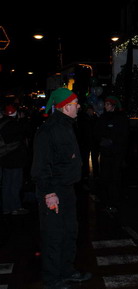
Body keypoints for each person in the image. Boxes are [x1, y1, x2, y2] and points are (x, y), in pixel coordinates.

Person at [31, 88, 92, 289]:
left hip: (66, 189)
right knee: (53, 235)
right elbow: (41, 166)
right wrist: (49, 193)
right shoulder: (49, 130)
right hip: (53, 191)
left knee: (69, 232)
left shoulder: (66, 125)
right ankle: (52, 279)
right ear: (66, 107)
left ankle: (66, 271)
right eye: (75, 104)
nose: (79, 107)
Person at [95, 95, 128, 213]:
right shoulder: (103, 118)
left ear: (113, 105)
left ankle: (114, 202)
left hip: (115, 153)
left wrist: (112, 141)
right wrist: (102, 140)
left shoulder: (120, 118)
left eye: (108, 104)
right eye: (105, 104)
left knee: (114, 178)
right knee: (104, 177)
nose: (105, 106)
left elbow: (123, 134)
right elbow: (98, 131)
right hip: (105, 153)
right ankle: (106, 201)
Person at [0, 105, 29, 215]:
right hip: (16, 160)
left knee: (6, 184)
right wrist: (23, 119)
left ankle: (6, 208)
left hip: (4, 158)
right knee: (15, 184)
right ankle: (16, 207)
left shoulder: (2, 124)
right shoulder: (16, 125)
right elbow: (26, 131)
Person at [76, 105, 99, 185]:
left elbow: (97, 130)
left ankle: (96, 174)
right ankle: (86, 174)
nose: (90, 111)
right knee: (85, 159)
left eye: (91, 110)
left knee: (94, 159)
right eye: (89, 110)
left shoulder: (95, 118)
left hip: (94, 142)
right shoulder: (83, 119)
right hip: (86, 142)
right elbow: (81, 131)